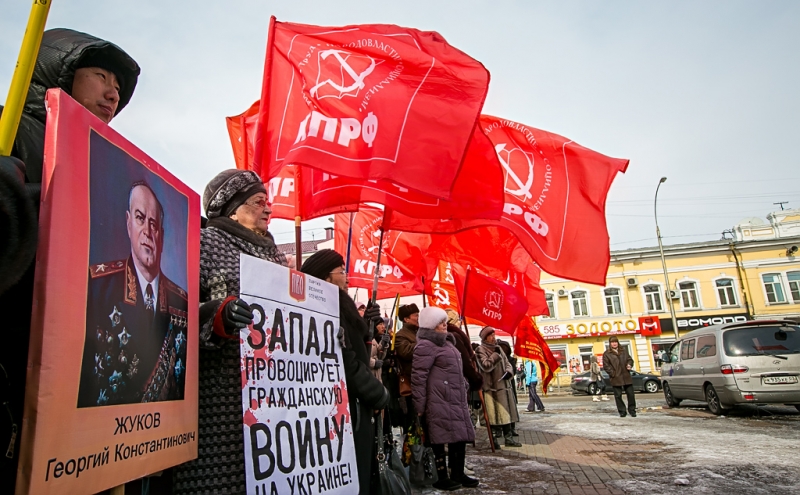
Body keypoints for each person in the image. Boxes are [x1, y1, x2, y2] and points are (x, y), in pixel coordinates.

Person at [0, 28, 139, 487]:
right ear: (60, 73)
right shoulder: (12, 126)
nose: (113, 91)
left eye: (118, 86)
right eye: (101, 75)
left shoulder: (107, 162)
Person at [172, 169, 288, 494]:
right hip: (221, 403)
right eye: (258, 202)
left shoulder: (277, 257)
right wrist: (216, 316)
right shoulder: (204, 243)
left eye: (268, 202)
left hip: (273, 405)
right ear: (233, 207)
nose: (268, 209)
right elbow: (173, 315)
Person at [78, 182, 188, 407]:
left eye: (154, 224)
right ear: (128, 224)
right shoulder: (98, 288)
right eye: (140, 218)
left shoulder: (182, 302)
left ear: (162, 235)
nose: (148, 231)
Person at [300, 249, 390, 495]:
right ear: (326, 278)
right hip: (343, 407)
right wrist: (377, 393)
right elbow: (344, 359)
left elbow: (357, 347)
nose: (347, 276)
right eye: (341, 271)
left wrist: (371, 329)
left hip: (355, 403)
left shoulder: (340, 304)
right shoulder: (324, 309)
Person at [412, 307, 479, 490]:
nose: (444, 325)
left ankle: (458, 473)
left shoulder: (448, 343)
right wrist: (419, 405)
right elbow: (418, 377)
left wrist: (464, 385)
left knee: (459, 436)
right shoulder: (425, 345)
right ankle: (440, 476)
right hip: (437, 400)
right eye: (441, 322)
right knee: (439, 439)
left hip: (455, 398)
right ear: (431, 325)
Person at [475, 327, 521, 448]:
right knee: (493, 416)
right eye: (490, 335)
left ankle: (509, 438)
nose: (493, 337)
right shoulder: (480, 350)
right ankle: (494, 439)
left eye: (494, 335)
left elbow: (507, 363)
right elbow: (486, 366)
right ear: (485, 338)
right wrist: (495, 355)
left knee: (507, 414)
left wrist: (509, 372)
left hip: (504, 387)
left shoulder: (499, 348)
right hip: (491, 389)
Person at [394, 303, 420, 433]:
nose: (418, 317)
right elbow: (406, 352)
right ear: (406, 319)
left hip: (423, 380)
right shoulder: (400, 335)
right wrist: (423, 342)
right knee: (413, 416)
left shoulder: (419, 332)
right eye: (415, 315)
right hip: (412, 381)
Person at [602, 336, 637, 417]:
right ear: (610, 344)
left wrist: (629, 364)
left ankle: (632, 410)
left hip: (626, 376)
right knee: (618, 396)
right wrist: (613, 373)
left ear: (618, 342)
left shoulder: (623, 351)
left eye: (615, 342)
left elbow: (630, 359)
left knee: (631, 394)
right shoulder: (607, 354)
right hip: (616, 378)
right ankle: (622, 411)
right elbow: (606, 366)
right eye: (612, 342)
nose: (614, 344)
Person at [370, 318, 391, 383]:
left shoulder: (377, 339)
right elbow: (362, 355)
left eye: (383, 324)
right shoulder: (368, 338)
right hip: (370, 376)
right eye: (380, 324)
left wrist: (384, 344)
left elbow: (380, 357)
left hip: (378, 375)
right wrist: (373, 363)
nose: (383, 326)